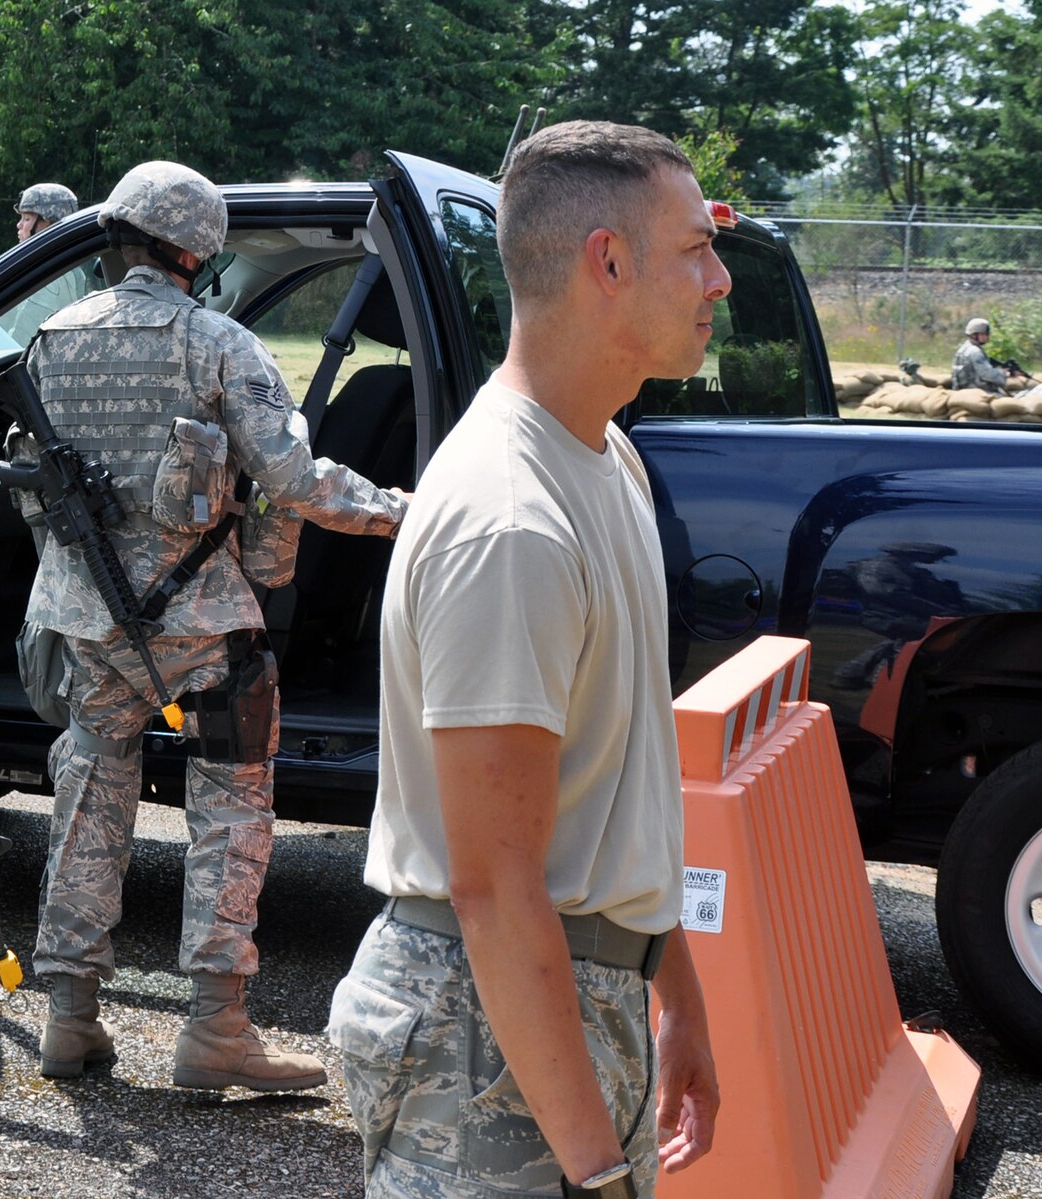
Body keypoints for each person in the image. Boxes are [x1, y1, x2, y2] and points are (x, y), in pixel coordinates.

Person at [327, 120, 720, 1198]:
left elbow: (614, 785)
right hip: (481, 1024)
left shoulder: (605, 455)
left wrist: (671, 985)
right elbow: (495, 884)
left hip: (560, 998)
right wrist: (595, 1172)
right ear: (606, 260)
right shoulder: (512, 519)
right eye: (695, 248)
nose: (719, 279)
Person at [18, 160, 407, 1090]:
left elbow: (32, 486)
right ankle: (215, 1027)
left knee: (86, 798)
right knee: (231, 807)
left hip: (88, 623)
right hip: (204, 624)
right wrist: (404, 509)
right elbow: (296, 484)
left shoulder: (49, 337)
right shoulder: (218, 344)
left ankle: (69, 1017)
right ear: (198, 249)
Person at [951, 317, 1010, 394]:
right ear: (974, 335)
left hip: (962, 390)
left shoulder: (964, 348)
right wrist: (1003, 373)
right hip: (978, 391)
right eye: (983, 334)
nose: (986, 337)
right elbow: (987, 374)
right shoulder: (975, 352)